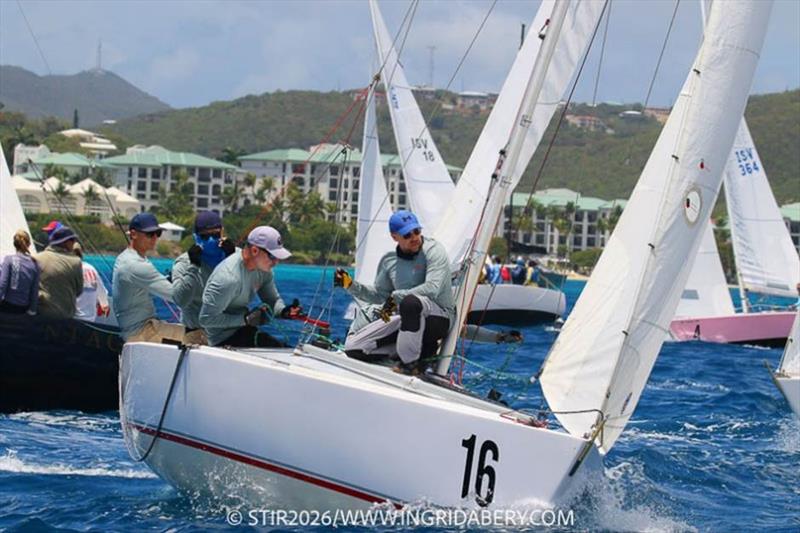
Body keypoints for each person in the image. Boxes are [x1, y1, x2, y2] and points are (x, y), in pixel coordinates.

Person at [337, 210, 455, 374]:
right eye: (407, 235)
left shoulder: (434, 250)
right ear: (394, 237)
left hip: (437, 317)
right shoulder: (389, 261)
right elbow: (379, 295)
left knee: (410, 303)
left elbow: (433, 289)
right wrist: (350, 285)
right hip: (405, 319)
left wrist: (397, 296)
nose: (414, 237)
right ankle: (418, 353)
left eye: (417, 231)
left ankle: (409, 364)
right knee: (353, 348)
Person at [199, 225, 301, 347]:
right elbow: (206, 319)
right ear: (254, 251)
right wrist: (246, 319)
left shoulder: (264, 270)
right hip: (220, 340)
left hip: (244, 330)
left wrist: (285, 311)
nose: (276, 262)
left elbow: (272, 300)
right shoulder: (228, 278)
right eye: (272, 256)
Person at [113, 213, 184, 343]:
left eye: (158, 233)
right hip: (141, 334)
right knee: (202, 336)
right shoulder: (135, 265)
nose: (155, 238)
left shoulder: (125, 257)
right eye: (150, 234)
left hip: (142, 328)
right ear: (133, 234)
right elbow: (179, 297)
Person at [172, 211, 236, 345]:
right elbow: (180, 300)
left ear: (222, 233)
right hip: (197, 334)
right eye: (205, 236)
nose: (211, 240)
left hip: (232, 331)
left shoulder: (236, 255)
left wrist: (233, 260)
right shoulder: (183, 263)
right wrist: (194, 266)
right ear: (196, 237)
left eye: (215, 235)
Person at [36, 226, 83, 318]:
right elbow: (79, 290)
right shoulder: (76, 262)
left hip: (41, 314)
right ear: (66, 242)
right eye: (72, 240)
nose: (74, 242)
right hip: (65, 315)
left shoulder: (37, 258)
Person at [0, 229, 40, 315]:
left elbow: (2, 285)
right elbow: (35, 290)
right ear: (29, 244)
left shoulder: (8, 260)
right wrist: (32, 310)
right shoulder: (35, 263)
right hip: (23, 309)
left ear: (14, 244)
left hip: (7, 307)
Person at [73, 243, 110, 321]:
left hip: (72, 320)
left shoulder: (68, 270)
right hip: (90, 320)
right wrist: (104, 304)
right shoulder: (91, 269)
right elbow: (103, 295)